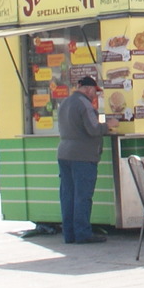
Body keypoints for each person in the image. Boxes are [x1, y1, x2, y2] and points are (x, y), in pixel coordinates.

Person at [54, 76, 109, 244]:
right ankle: (83, 233)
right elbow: (93, 129)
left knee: (68, 195)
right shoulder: (85, 104)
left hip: (64, 153)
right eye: (95, 92)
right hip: (83, 156)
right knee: (83, 196)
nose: (95, 96)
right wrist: (109, 124)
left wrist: (101, 118)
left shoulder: (65, 103)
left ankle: (69, 234)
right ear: (89, 89)